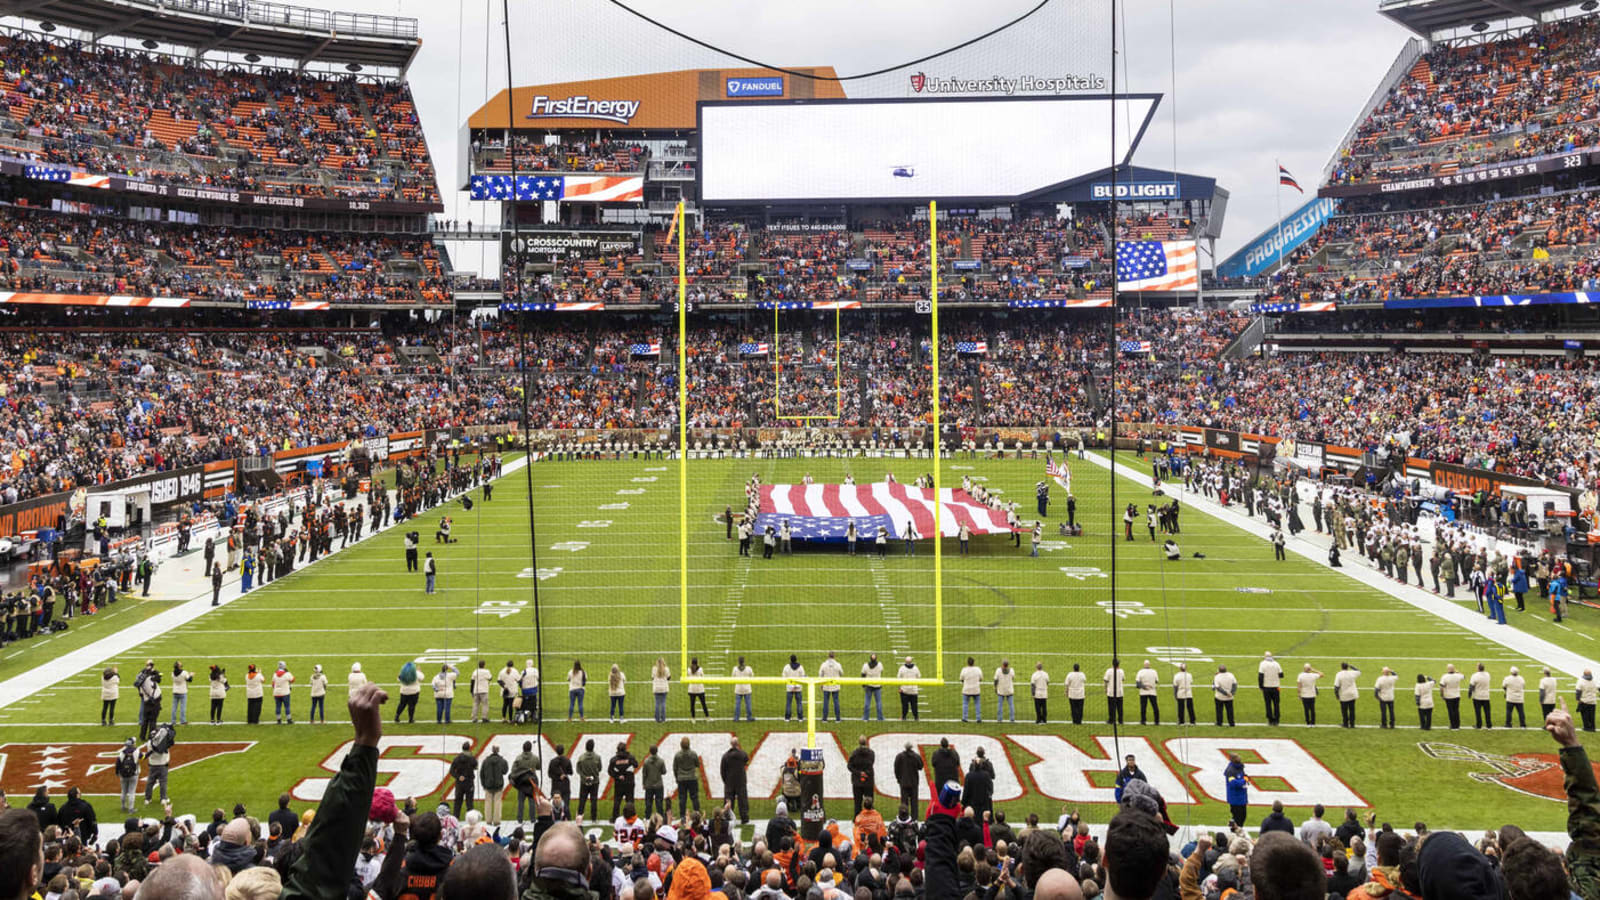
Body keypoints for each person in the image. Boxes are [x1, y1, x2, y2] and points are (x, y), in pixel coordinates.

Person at [509, 741, 540, 822]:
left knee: (520, 802)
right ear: (531, 748)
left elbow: (513, 770)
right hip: (531, 782)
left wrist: (513, 778)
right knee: (532, 802)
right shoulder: (535, 758)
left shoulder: (518, 758)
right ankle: (533, 819)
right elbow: (538, 767)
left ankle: (519, 819)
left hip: (522, 782)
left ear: (523, 748)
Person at [720, 739, 749, 823]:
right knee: (742, 800)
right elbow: (746, 762)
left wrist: (725, 780)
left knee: (728, 800)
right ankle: (744, 818)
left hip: (729, 781)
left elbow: (722, 770)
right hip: (740, 781)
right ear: (738, 743)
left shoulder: (725, 756)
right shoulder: (743, 754)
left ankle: (728, 817)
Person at [607, 741, 637, 821]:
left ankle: (615, 817)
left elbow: (610, 771)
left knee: (617, 801)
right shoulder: (630, 757)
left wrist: (617, 776)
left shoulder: (614, 759)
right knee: (630, 800)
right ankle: (631, 816)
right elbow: (636, 765)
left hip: (619, 783)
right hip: (629, 782)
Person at [674, 735, 702, 817]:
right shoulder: (693, 754)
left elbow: (675, 768)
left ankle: (682, 816)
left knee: (682, 798)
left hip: (681, 779)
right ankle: (697, 814)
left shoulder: (677, 755)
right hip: (692, 778)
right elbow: (697, 764)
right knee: (694, 797)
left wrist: (677, 778)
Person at [894, 742, 923, 819]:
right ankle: (914, 819)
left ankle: (904, 817)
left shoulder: (899, 757)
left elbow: (896, 769)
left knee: (904, 802)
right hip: (914, 782)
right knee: (914, 803)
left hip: (903, 782)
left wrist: (898, 779)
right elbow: (921, 766)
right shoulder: (916, 756)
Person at [575, 739, 602, 820]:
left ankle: (580, 816)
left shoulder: (581, 758)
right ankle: (594, 818)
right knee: (594, 800)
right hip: (595, 782)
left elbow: (578, 770)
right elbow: (600, 768)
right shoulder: (597, 757)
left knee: (582, 800)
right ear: (593, 747)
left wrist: (584, 776)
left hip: (584, 782)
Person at [449, 740, 477, 819]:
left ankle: (455, 819)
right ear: (469, 748)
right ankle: (471, 820)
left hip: (459, 783)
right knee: (469, 803)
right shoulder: (472, 758)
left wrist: (458, 776)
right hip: (469, 783)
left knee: (457, 802)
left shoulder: (457, 758)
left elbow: (451, 771)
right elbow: (476, 766)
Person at [1259, 651, 1284, 726]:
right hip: (1276, 687)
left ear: (1265, 656)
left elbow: (1260, 676)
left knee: (1268, 704)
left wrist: (1261, 686)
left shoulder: (1262, 664)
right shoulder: (1276, 664)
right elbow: (1281, 675)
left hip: (1266, 687)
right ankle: (1277, 720)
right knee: (1276, 704)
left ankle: (1270, 720)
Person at [1333, 662, 1360, 729]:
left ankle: (1345, 723)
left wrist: (1337, 695)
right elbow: (1358, 671)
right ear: (1347, 667)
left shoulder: (1339, 674)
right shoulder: (1352, 673)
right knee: (1352, 710)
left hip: (1343, 695)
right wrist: (1351, 666)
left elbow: (1336, 686)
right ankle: (1352, 724)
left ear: (1341, 667)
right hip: (1352, 694)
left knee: (1344, 710)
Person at [1224, 753, 1249, 827]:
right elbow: (1233, 783)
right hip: (1235, 798)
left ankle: (1233, 826)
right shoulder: (1230, 770)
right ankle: (1234, 832)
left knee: (1243, 816)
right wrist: (1244, 781)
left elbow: (1245, 776)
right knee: (1238, 818)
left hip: (1242, 797)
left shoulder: (1240, 767)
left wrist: (1245, 779)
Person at [1135, 659, 1160, 726]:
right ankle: (1157, 721)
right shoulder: (1154, 671)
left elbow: (1137, 684)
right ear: (1149, 665)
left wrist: (1144, 686)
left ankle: (1143, 721)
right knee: (1155, 706)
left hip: (1143, 692)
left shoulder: (1140, 672)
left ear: (1144, 664)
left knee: (1143, 707)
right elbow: (1157, 681)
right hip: (1152, 691)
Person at [1440, 663, 1465, 729]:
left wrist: (1442, 695)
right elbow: (1463, 676)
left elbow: (1441, 687)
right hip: (1457, 695)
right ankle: (1457, 725)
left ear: (1448, 669)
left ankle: (1453, 725)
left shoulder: (1444, 676)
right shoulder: (1458, 675)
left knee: (1451, 711)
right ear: (1453, 669)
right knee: (1456, 710)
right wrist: (1458, 672)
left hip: (1448, 696)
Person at [960, 657, 984, 723]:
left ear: (967, 662)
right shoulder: (978, 669)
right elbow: (981, 678)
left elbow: (961, 679)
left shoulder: (964, 670)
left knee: (965, 704)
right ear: (974, 662)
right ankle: (978, 718)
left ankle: (964, 718)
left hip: (966, 689)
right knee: (977, 704)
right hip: (976, 689)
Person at [469, 660, 493, 724]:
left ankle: (474, 718)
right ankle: (484, 718)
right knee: (485, 704)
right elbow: (490, 678)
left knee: (475, 704)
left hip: (476, 690)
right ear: (484, 665)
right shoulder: (486, 671)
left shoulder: (475, 671)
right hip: (484, 690)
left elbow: (472, 681)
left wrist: (471, 690)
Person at [170, 661, 193, 726]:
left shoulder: (172, 673)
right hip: (182, 691)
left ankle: (173, 721)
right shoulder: (184, 673)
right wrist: (191, 675)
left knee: (174, 707)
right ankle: (183, 721)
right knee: (183, 707)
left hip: (175, 691)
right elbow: (189, 680)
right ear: (179, 666)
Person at [1470, 662, 1493, 729]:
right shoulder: (1488, 674)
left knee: (1478, 712)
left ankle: (1479, 725)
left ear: (1478, 668)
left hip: (1477, 696)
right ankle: (1489, 724)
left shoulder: (1474, 675)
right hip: (1486, 696)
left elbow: (1472, 685)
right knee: (1487, 712)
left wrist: (1470, 693)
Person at [862, 653, 885, 720]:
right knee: (878, 702)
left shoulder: (865, 666)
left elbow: (863, 674)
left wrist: (863, 685)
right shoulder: (880, 665)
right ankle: (880, 718)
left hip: (868, 685)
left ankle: (866, 718)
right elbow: (882, 671)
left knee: (867, 702)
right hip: (877, 686)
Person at [732, 656, 755, 721]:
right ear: (744, 661)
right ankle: (749, 717)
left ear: (738, 662)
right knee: (748, 704)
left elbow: (733, 677)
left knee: (737, 705)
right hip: (747, 689)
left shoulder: (735, 669)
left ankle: (736, 718)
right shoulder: (748, 668)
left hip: (738, 689)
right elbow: (752, 676)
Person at [782, 654, 804, 721]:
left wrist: (791, 686)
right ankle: (800, 718)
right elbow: (803, 678)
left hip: (789, 688)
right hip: (798, 688)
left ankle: (787, 718)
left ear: (790, 660)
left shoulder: (786, 667)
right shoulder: (800, 667)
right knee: (799, 703)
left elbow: (784, 677)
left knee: (788, 703)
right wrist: (796, 686)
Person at [273, 660, 295, 725]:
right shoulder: (287, 674)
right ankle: (289, 719)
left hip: (276, 693)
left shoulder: (274, 674)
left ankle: (278, 720)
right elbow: (293, 679)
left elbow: (273, 684)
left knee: (278, 706)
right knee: (287, 706)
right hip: (285, 692)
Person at [1104, 658, 1125, 725]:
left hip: (1111, 692)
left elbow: (1105, 681)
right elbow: (1123, 679)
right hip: (1119, 692)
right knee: (1120, 707)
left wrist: (1105, 688)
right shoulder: (1121, 671)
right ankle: (1120, 720)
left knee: (1111, 707)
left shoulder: (1109, 671)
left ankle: (1111, 720)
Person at [900, 656, 922, 720]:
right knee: (914, 705)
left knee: (905, 705)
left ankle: (904, 717)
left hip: (904, 690)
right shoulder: (915, 668)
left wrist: (900, 687)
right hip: (913, 690)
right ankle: (916, 717)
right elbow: (919, 677)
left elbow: (898, 678)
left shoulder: (902, 668)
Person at [650, 657, 671, 723]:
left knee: (657, 703)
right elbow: (669, 677)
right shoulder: (666, 669)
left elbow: (652, 677)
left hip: (656, 688)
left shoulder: (654, 669)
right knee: (663, 703)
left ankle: (657, 719)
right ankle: (663, 718)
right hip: (664, 688)